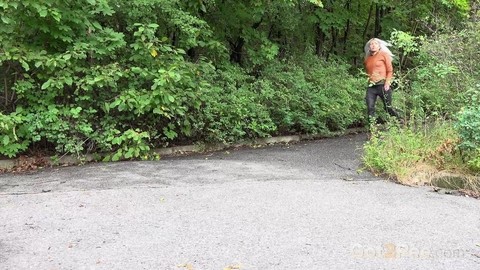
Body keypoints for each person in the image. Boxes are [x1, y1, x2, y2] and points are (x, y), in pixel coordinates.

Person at [364, 38, 399, 124]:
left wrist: (387, 82)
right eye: (371, 44)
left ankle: (399, 120)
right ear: (369, 47)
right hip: (371, 86)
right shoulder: (367, 58)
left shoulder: (383, 55)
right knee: (370, 107)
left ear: (379, 46)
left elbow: (390, 70)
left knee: (388, 107)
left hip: (383, 85)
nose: (373, 46)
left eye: (375, 44)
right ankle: (372, 129)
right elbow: (368, 72)